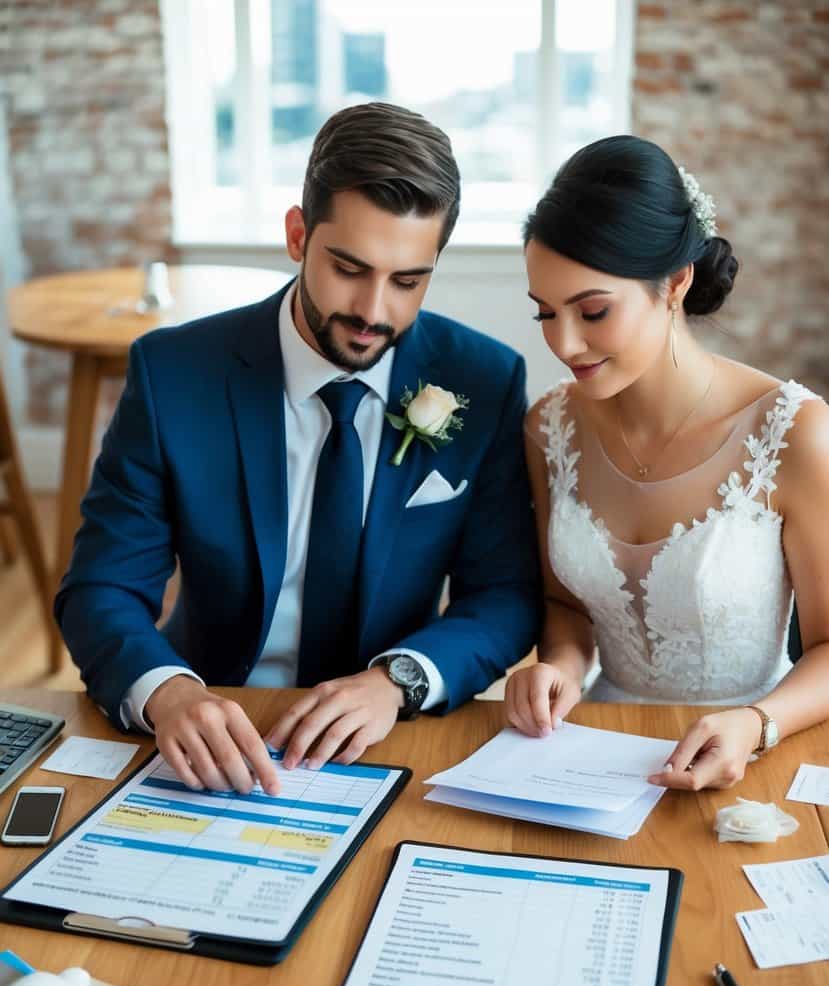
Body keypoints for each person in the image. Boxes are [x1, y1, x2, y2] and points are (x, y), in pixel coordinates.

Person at [57, 103, 540, 796]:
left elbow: (501, 595)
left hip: (393, 730)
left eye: (408, 281)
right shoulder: (174, 374)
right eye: (348, 268)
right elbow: (101, 584)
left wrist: (397, 681)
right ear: (296, 235)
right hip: (213, 723)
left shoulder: (483, 380)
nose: (375, 311)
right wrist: (166, 692)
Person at [506, 135, 829, 792]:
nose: (563, 342)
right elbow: (564, 604)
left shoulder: (793, 433)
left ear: (674, 282)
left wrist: (755, 723)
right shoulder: (549, 427)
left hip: (752, 756)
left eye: (593, 310)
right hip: (590, 759)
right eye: (545, 312)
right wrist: (559, 670)